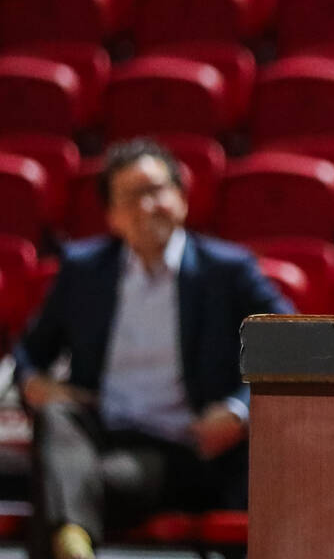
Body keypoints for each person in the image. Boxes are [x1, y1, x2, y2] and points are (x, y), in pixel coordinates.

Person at [14, 139, 294, 559]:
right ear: (111, 216)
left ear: (181, 198)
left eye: (157, 191)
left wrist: (240, 411)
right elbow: (29, 353)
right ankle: (71, 540)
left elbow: (292, 344)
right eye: (132, 197)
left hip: (178, 446)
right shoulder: (84, 269)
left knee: (58, 481)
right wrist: (34, 384)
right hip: (96, 431)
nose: (147, 207)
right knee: (56, 416)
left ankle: (71, 538)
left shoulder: (227, 270)